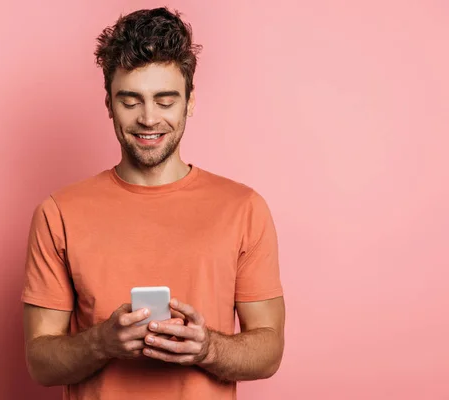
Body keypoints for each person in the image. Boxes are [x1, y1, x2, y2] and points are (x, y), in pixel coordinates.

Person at [21, 7, 285, 400]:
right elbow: (40, 362)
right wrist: (102, 343)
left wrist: (207, 347)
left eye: (165, 101)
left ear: (189, 102)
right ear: (109, 103)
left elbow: (269, 351)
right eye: (130, 101)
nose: (148, 119)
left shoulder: (244, 208)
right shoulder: (58, 213)